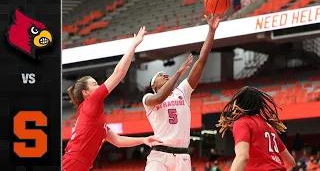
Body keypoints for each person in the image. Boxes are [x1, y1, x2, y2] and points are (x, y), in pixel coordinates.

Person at [62, 26, 162, 171]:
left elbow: (118, 141)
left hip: (78, 164)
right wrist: (133, 45)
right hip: (73, 163)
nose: (100, 86)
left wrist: (143, 139)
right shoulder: (91, 101)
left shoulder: (96, 117)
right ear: (86, 93)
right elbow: (119, 73)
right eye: (95, 84)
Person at [142, 14, 225, 171]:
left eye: (165, 73)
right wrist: (178, 73)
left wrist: (211, 31)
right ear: (153, 85)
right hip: (159, 155)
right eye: (160, 75)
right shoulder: (148, 99)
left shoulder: (182, 91)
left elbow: (201, 60)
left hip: (182, 156)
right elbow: (160, 97)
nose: (164, 74)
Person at [216, 86, 296, 171]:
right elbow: (291, 162)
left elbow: (243, 157)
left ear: (239, 103)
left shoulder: (242, 122)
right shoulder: (268, 127)